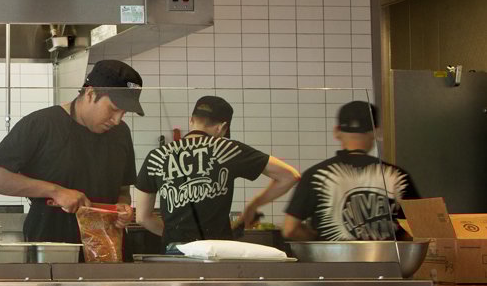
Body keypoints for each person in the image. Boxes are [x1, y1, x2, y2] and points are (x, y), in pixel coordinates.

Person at [0, 59, 142, 244]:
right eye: (113, 110)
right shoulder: (41, 124)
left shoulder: (121, 133)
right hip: (53, 251)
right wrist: (55, 191)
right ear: (90, 93)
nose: (117, 120)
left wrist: (122, 207)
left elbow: (122, 190)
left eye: (124, 113)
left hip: (107, 248)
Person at [132, 95, 301, 246]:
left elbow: (142, 217)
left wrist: (174, 236)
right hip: (217, 252)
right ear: (222, 127)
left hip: (175, 254)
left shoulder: (157, 155)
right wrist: (254, 205)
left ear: (191, 120)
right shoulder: (228, 148)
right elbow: (290, 176)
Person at [283, 101, 419, 241]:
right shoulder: (398, 176)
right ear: (376, 132)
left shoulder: (316, 175)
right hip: (386, 262)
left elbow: (290, 229)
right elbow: (422, 228)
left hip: (332, 261)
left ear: (336, 131)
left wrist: (318, 241)